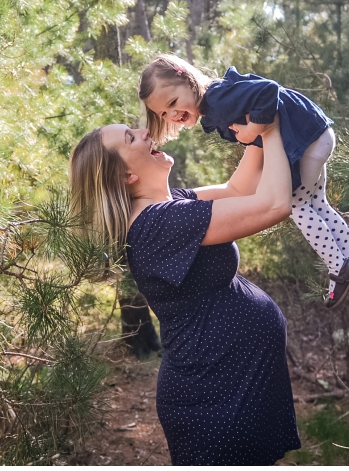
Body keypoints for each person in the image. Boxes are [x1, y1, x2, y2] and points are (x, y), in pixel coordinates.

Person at [69, 119, 301, 465]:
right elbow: (273, 205)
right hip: (214, 393)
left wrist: (256, 123)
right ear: (125, 176)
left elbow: (238, 191)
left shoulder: (167, 206)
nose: (146, 131)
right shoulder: (158, 224)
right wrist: (271, 129)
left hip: (229, 379)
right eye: (131, 137)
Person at [138, 54, 349, 314]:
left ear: (187, 79)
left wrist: (255, 129)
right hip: (315, 134)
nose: (172, 114)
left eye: (173, 102)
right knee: (318, 204)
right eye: (164, 112)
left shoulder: (217, 99)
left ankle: (339, 268)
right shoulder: (218, 97)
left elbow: (269, 90)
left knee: (297, 206)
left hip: (306, 139)